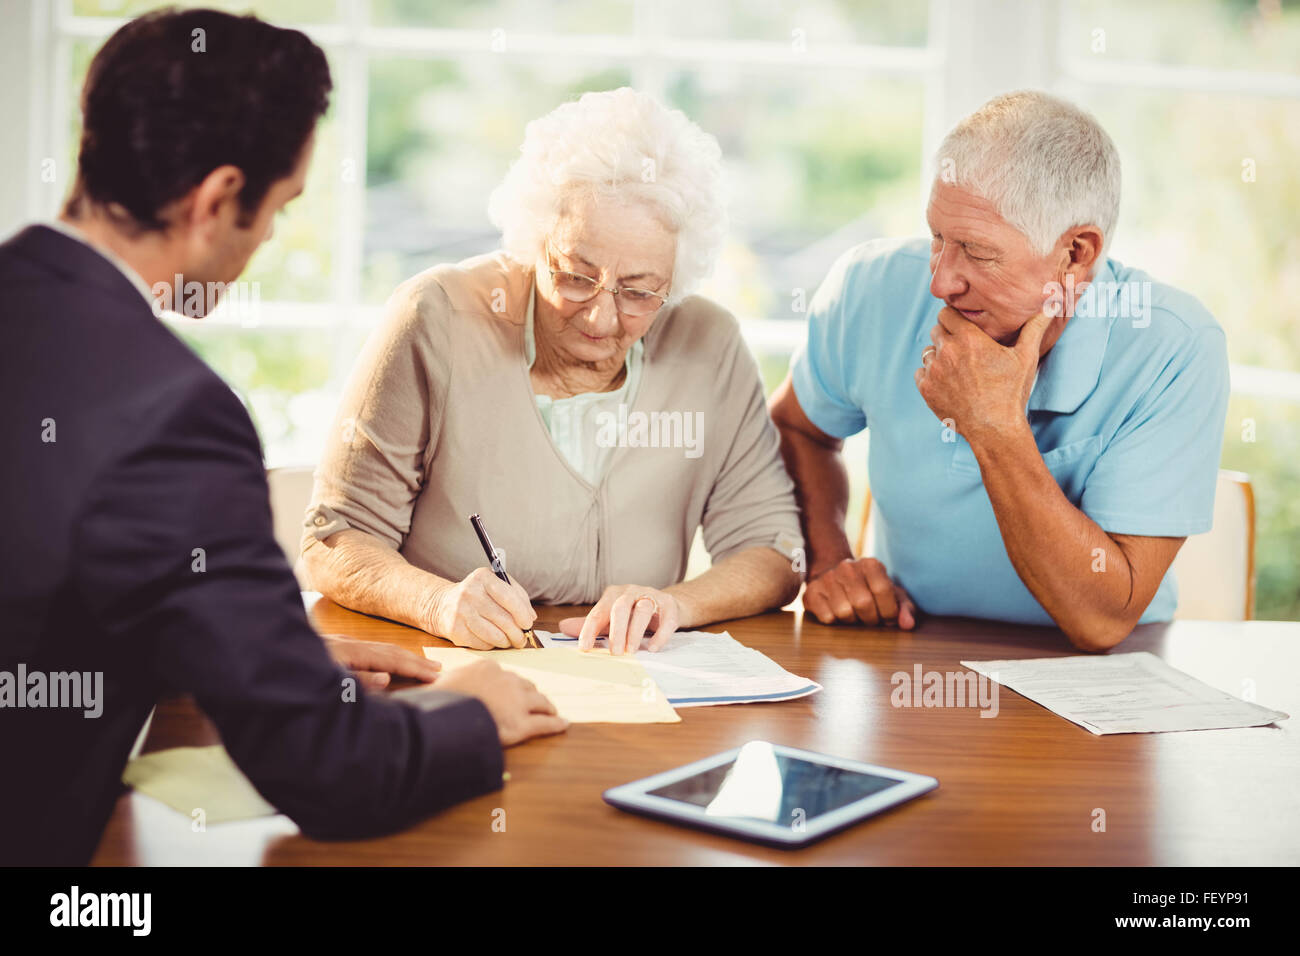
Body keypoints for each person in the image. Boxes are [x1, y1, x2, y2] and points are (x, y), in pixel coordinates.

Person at [0, 8, 564, 867]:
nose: (266, 239)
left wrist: (243, 650)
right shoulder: (171, 414)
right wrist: (471, 715)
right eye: (280, 208)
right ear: (220, 198)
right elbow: (332, 775)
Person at [301, 88, 804, 656]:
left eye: (639, 292)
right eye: (575, 276)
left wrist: (677, 604)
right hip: (448, 677)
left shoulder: (708, 344)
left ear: (674, 281)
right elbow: (333, 539)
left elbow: (776, 550)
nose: (600, 315)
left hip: (629, 685)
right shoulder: (437, 318)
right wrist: (436, 603)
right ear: (532, 241)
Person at [770, 90, 1229, 652]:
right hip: (911, 650)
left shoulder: (1175, 347)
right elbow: (798, 428)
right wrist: (828, 561)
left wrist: (991, 425)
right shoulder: (871, 286)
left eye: (977, 252)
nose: (941, 281)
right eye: (938, 238)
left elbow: (1103, 621)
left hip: (1103, 676)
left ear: (1076, 255)